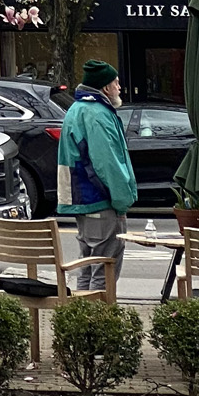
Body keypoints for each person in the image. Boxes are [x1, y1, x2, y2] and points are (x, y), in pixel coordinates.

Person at [58, 58, 139, 292]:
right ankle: (101, 313)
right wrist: (122, 200)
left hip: (82, 200)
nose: (120, 87)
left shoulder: (77, 109)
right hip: (100, 200)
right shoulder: (97, 114)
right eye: (116, 83)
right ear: (105, 88)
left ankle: (80, 312)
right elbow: (108, 163)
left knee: (87, 266)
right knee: (104, 270)